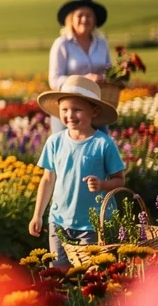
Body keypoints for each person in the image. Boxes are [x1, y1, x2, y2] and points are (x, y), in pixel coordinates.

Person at [28, 75, 126, 268]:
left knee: (91, 277)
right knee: (59, 273)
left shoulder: (103, 144)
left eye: (77, 110)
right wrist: (37, 215)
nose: (70, 115)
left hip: (93, 225)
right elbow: (48, 180)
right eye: (64, 110)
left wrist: (103, 184)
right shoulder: (55, 142)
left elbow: (119, 180)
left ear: (95, 111)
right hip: (59, 222)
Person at [48, 0, 112, 133]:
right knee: (64, 150)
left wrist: (106, 78)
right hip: (68, 109)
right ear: (71, 19)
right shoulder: (62, 44)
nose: (84, 19)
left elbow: (110, 70)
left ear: (94, 20)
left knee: (100, 147)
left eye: (89, 15)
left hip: (96, 107)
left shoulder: (102, 43)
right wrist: (82, 81)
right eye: (80, 15)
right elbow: (54, 80)